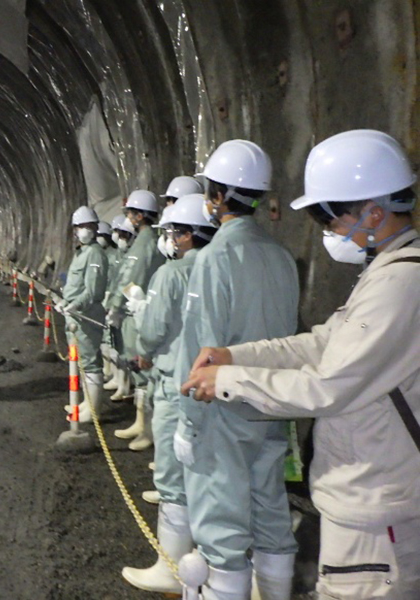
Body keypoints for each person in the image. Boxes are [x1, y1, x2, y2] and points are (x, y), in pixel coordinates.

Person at [182, 130, 420, 600]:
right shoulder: (387, 272)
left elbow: (327, 386)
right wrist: (236, 356)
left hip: (375, 506)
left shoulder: (400, 285)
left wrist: (228, 379)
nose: (326, 230)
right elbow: (319, 343)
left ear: (374, 212)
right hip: (366, 493)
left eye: (328, 216)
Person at [173, 140, 300, 599]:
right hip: (271, 406)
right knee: (270, 513)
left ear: (217, 195)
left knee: (221, 528)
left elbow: (201, 350)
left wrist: (188, 422)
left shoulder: (213, 260)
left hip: (222, 413)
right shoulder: (282, 257)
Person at [121, 193, 217, 594]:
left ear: (186, 236)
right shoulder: (220, 268)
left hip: (175, 380)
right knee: (206, 473)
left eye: (174, 232)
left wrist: (141, 351)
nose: (170, 238)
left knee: (173, 476)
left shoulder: (171, 273)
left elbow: (156, 328)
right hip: (215, 383)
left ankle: (172, 568)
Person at [106, 190, 164, 450]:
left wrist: (117, 306)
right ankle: (141, 423)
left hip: (138, 313)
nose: (127, 217)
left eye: (130, 213)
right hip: (133, 310)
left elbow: (133, 277)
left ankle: (147, 429)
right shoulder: (143, 241)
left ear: (140, 216)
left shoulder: (145, 242)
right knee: (138, 369)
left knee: (144, 371)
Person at [57, 206, 109, 422]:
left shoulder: (95, 253)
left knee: (90, 361)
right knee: (81, 361)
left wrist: (75, 305)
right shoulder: (83, 252)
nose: (81, 231)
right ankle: (86, 404)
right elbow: (76, 284)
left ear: (95, 228)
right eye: (79, 227)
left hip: (86, 316)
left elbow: (93, 291)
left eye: (86, 226)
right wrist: (65, 301)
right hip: (76, 315)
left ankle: (93, 410)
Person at [102, 215, 136, 384]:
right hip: (117, 302)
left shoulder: (133, 256)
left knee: (126, 346)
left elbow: (130, 283)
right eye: (117, 233)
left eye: (123, 234)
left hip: (128, 307)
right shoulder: (120, 255)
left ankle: (126, 383)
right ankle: (118, 379)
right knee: (115, 343)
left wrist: (118, 305)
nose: (119, 237)